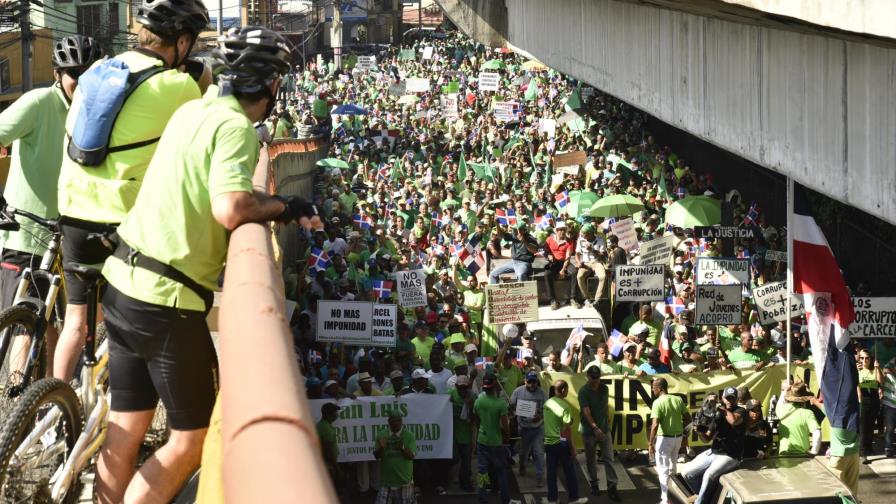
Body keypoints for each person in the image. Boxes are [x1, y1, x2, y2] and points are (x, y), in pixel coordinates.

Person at [94, 27, 318, 504]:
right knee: (189, 440)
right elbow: (231, 209)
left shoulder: (193, 110)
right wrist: (280, 207)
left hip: (121, 280)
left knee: (126, 428)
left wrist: (277, 201)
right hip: (165, 301)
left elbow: (211, 188)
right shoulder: (237, 128)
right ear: (273, 86)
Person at [54, 0, 212, 383]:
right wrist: (194, 70)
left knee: (75, 319)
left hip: (72, 209)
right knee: (128, 314)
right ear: (184, 41)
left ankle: (52, 405)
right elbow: (207, 96)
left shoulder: (96, 72)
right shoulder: (177, 86)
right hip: (120, 220)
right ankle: (118, 406)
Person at [0, 35, 101, 309]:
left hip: (69, 238)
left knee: (62, 323)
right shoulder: (38, 102)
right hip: (26, 234)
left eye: (88, 73)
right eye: (74, 73)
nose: (80, 81)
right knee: (25, 318)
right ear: (58, 73)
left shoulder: (95, 115)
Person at [679, 387, 745, 504]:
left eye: (732, 398)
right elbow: (706, 438)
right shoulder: (717, 414)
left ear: (737, 399)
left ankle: (700, 502)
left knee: (709, 474)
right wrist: (699, 431)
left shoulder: (740, 411)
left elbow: (733, 421)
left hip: (731, 455)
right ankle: (703, 496)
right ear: (723, 398)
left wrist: (719, 407)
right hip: (714, 452)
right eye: (727, 398)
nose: (730, 401)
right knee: (687, 473)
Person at [472, 373, 515, 504]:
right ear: (495, 385)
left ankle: (482, 499)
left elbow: (476, 419)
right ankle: (505, 500)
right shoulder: (500, 404)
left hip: (482, 441)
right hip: (496, 442)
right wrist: (507, 439)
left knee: (482, 472)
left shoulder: (479, 400)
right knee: (501, 472)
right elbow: (505, 426)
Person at [543, 379, 588, 504]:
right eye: (567, 389)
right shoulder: (565, 406)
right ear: (563, 390)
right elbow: (566, 429)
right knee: (569, 471)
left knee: (551, 472)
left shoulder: (547, 403)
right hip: (561, 443)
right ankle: (573, 498)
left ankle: (552, 499)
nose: (567, 391)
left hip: (548, 442)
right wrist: (572, 447)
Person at [579, 365, 620, 499]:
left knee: (609, 458)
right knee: (591, 460)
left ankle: (612, 487)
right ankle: (594, 484)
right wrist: (595, 428)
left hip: (604, 429)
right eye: (593, 377)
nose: (595, 380)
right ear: (588, 376)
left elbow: (605, 405)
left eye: (597, 377)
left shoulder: (605, 389)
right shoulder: (583, 391)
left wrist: (606, 421)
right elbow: (586, 412)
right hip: (589, 431)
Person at [648, 377, 690, 504]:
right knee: (673, 468)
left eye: (653, 388)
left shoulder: (657, 402)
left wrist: (650, 443)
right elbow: (688, 419)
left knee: (663, 470)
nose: (652, 390)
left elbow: (655, 425)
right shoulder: (678, 400)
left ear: (660, 388)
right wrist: (685, 435)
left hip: (664, 439)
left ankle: (665, 499)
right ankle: (675, 495)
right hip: (677, 438)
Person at [510, 371, 547, 487]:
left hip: (538, 428)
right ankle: (522, 466)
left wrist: (540, 416)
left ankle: (540, 476)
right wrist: (512, 408)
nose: (532, 385)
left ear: (537, 382)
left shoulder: (543, 394)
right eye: (529, 382)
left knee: (538, 453)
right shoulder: (518, 392)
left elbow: (548, 409)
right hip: (524, 428)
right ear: (525, 381)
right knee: (523, 453)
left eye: (534, 382)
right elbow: (511, 406)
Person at [374, 412, 417, 504]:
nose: (397, 423)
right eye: (394, 420)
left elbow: (411, 456)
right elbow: (376, 456)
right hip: (386, 482)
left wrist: (402, 448)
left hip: (404, 482)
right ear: (389, 422)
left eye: (399, 420)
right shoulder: (381, 434)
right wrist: (381, 447)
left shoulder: (409, 435)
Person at [776, 382, 821, 456]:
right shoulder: (808, 413)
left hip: (783, 455)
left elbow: (781, 401)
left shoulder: (780, 409)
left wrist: (785, 391)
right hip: (803, 456)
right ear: (804, 399)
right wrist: (814, 451)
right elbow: (817, 433)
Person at [543, 221, 578, 309]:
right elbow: (545, 252)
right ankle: (552, 300)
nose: (562, 231)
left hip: (564, 262)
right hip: (554, 262)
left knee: (574, 272)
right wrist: (548, 256)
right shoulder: (549, 239)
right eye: (560, 230)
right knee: (547, 274)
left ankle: (573, 298)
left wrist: (563, 270)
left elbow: (568, 258)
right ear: (556, 230)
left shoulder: (569, 242)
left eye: (564, 230)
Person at [450, 375, 475, 492]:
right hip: (453, 435)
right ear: (456, 386)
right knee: (454, 459)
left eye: (465, 387)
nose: (463, 390)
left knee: (466, 462)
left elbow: (476, 417)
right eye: (461, 387)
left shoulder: (472, 396)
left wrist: (471, 407)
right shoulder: (450, 395)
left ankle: (465, 482)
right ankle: (452, 478)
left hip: (466, 436)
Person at [857, 350, 882, 462]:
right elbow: (857, 385)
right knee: (863, 427)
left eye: (867, 358)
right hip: (863, 400)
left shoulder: (875, 370)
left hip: (874, 400)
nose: (864, 360)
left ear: (870, 359)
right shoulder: (858, 370)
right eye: (862, 358)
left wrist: (878, 368)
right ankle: (862, 452)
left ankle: (868, 447)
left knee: (871, 425)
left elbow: (880, 381)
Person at [317, 402, 341, 485]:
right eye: (335, 412)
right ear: (330, 414)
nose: (337, 414)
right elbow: (328, 451)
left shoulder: (325, 426)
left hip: (329, 465)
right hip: (328, 466)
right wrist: (337, 468)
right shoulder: (325, 428)